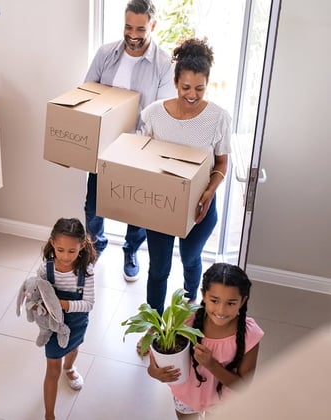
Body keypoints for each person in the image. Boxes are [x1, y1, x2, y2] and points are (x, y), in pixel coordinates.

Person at [84, 0, 176, 281]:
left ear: (153, 26)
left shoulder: (163, 64)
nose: (132, 34)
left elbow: (160, 114)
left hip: (139, 149)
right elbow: (87, 93)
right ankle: (95, 245)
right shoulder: (105, 54)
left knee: (136, 209)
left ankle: (130, 249)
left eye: (140, 28)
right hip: (103, 146)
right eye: (127, 26)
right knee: (93, 204)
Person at [139, 37, 231, 316]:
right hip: (161, 206)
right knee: (159, 270)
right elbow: (141, 156)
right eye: (186, 88)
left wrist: (209, 192)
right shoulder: (154, 114)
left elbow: (222, 162)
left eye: (199, 89)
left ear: (207, 85)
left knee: (191, 259)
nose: (192, 95)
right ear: (175, 82)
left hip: (200, 206)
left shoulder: (218, 118)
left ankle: (192, 303)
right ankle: (153, 325)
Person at [148, 263, 264, 419]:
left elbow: (243, 386)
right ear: (203, 295)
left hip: (223, 402)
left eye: (230, 303)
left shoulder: (250, 335)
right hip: (186, 395)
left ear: (242, 301)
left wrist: (212, 365)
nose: (221, 310)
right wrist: (154, 371)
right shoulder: (185, 319)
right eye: (214, 300)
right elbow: (159, 355)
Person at [37, 218, 96, 420]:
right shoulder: (46, 269)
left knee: (73, 347)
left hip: (77, 322)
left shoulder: (86, 272)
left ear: (82, 246)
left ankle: (69, 367)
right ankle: (49, 415)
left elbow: (89, 304)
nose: (65, 256)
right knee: (52, 369)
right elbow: (38, 292)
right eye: (60, 250)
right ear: (52, 243)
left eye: (72, 251)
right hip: (54, 325)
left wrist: (64, 304)